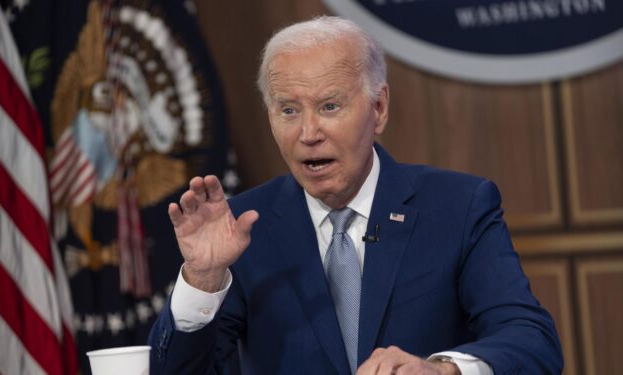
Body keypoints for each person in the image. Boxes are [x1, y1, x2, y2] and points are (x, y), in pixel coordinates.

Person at [148, 16, 562, 375]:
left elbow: (532, 344)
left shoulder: (459, 206)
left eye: (329, 106)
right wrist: (202, 281)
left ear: (378, 108)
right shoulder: (239, 229)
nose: (308, 134)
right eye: (288, 110)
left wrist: (442, 369)